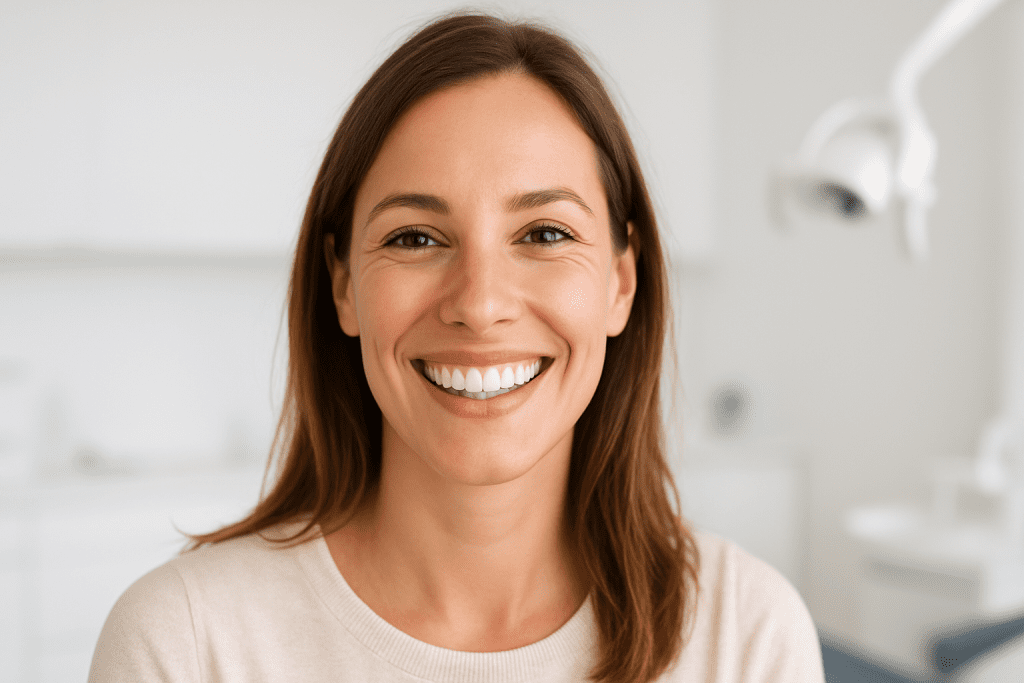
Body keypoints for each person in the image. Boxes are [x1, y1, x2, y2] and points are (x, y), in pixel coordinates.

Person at [89, 10, 824, 683]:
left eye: (544, 235)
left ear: (620, 284)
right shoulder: (185, 643)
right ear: (343, 284)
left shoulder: (748, 638)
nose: (478, 304)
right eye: (415, 237)